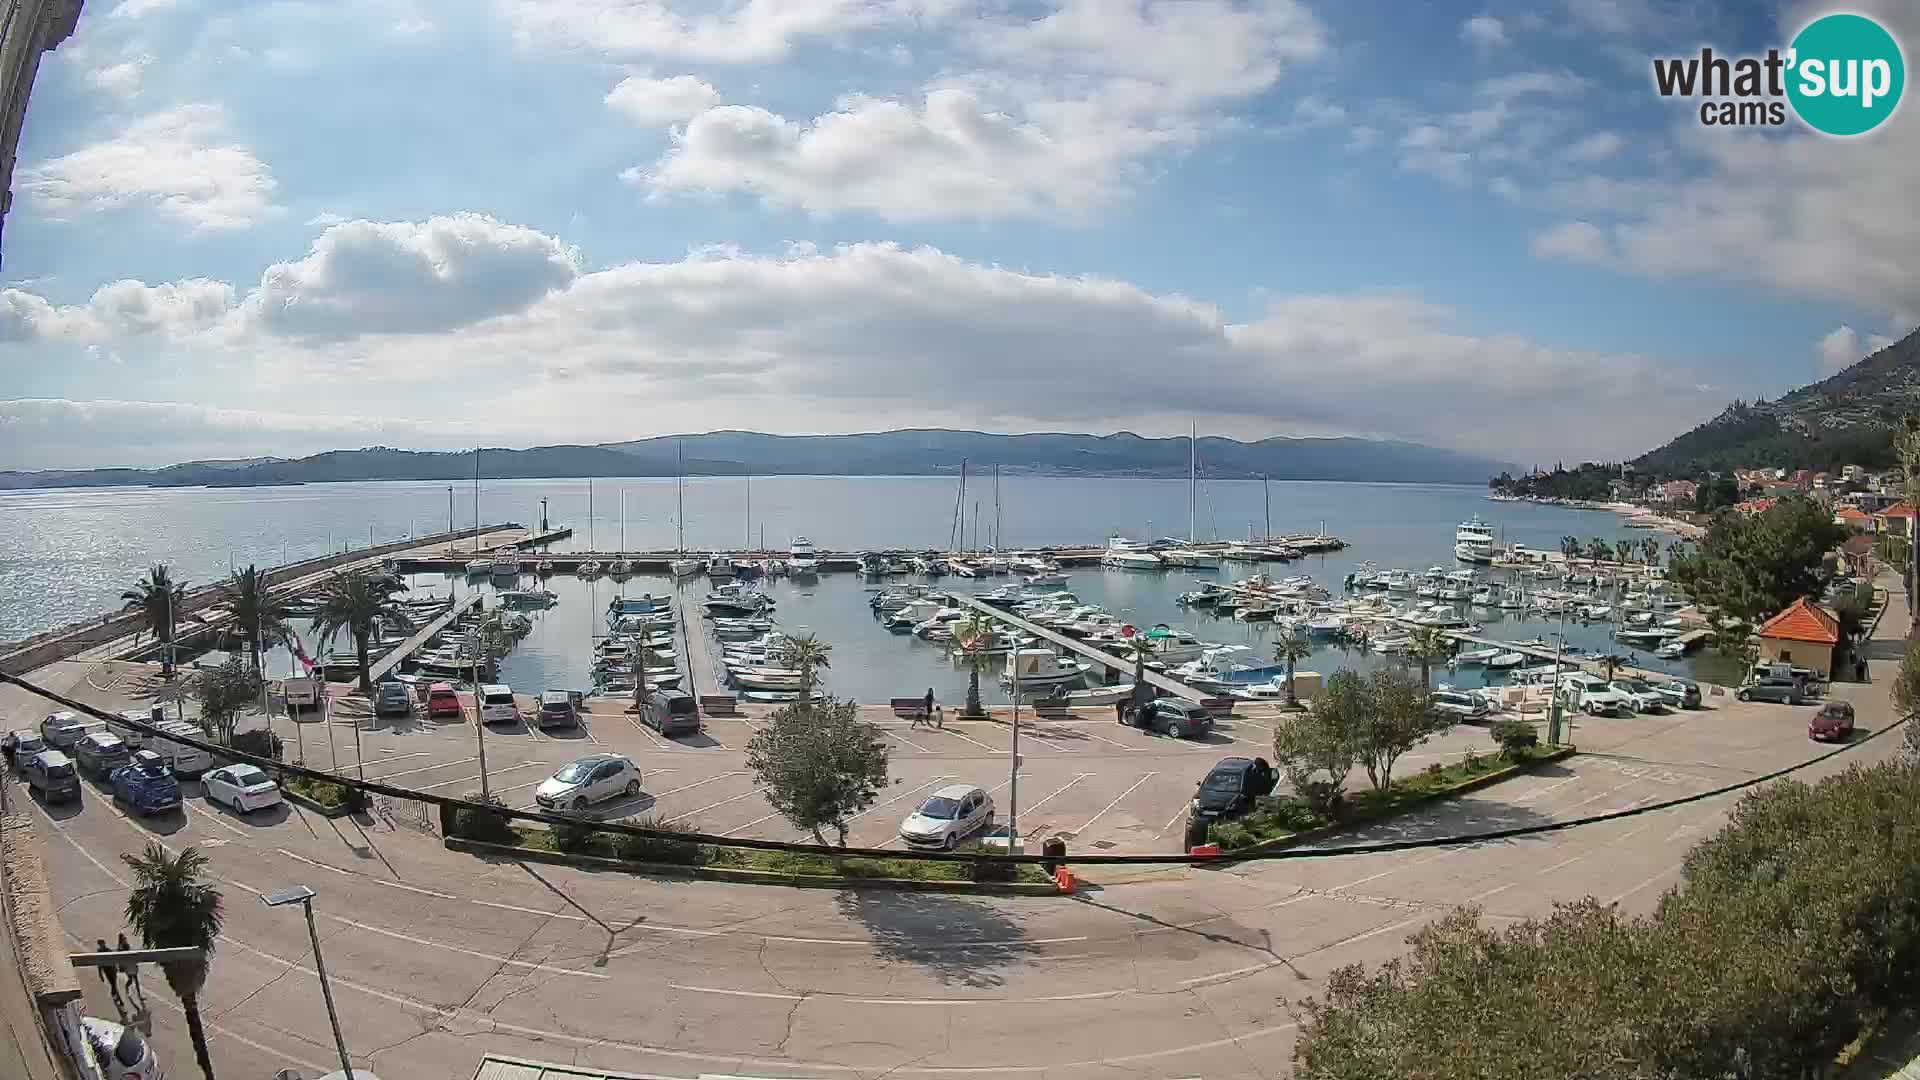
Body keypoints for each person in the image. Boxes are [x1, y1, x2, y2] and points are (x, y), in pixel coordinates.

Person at [95, 938, 123, 1012]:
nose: (102, 945)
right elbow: (99, 964)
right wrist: (100, 974)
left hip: (112, 970)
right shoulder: (99, 952)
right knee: (113, 984)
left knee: (114, 984)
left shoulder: (108, 950)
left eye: (102, 943)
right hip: (107, 971)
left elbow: (114, 959)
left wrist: (116, 968)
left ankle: (116, 996)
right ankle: (118, 999)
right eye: (100, 944)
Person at [116, 933, 143, 1005]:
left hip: (132, 965)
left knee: (136, 980)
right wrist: (121, 967)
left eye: (125, 938)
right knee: (130, 980)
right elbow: (120, 959)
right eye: (124, 939)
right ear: (121, 940)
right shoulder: (120, 948)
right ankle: (127, 987)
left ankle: (140, 995)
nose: (125, 940)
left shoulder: (127, 945)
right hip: (127, 966)